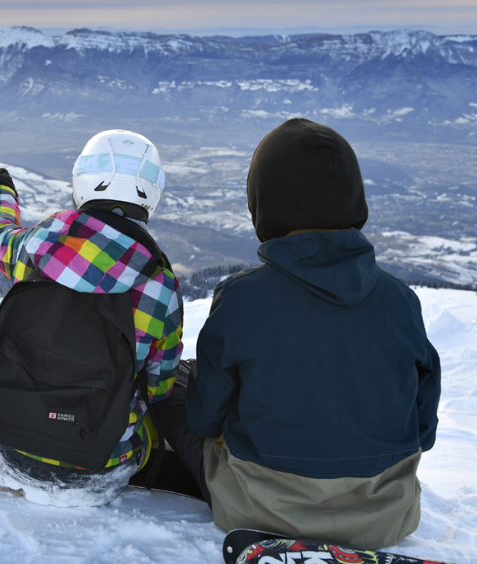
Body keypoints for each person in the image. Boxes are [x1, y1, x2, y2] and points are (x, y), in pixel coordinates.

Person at [154, 118, 440, 549]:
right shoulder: (401, 301)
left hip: (262, 508)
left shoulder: (241, 299)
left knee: (174, 382)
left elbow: (203, 418)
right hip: (385, 515)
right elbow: (424, 429)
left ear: (263, 202)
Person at [0, 130, 183, 506]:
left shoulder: (39, 247)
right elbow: (158, 386)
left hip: (7, 452)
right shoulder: (158, 286)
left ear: (81, 180)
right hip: (98, 472)